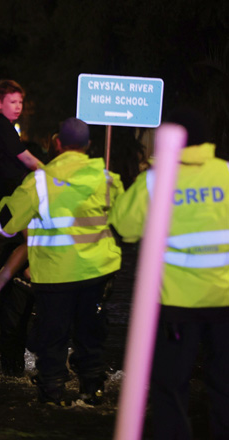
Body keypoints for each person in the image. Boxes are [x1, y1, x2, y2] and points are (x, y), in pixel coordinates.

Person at [109, 108, 229, 438]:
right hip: (224, 299)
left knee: (169, 386)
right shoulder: (226, 173)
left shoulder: (156, 180)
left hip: (176, 303)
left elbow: (123, 225)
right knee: (224, 384)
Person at [0, 117, 123, 404]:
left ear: (59, 144)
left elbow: (4, 225)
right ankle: (93, 393)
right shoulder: (106, 179)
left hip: (54, 275)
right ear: (88, 146)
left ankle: (52, 397)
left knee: (53, 339)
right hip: (96, 273)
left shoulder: (40, 181)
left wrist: (3, 204)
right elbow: (127, 224)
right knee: (91, 337)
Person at [0, 79, 43, 375]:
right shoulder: (1, 126)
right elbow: (26, 158)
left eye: (20, 102)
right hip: (12, 197)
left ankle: (16, 276)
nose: (18, 107)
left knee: (32, 242)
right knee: (34, 241)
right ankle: (2, 281)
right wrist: (55, 175)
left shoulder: (1, 127)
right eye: (13, 102)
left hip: (12, 195)